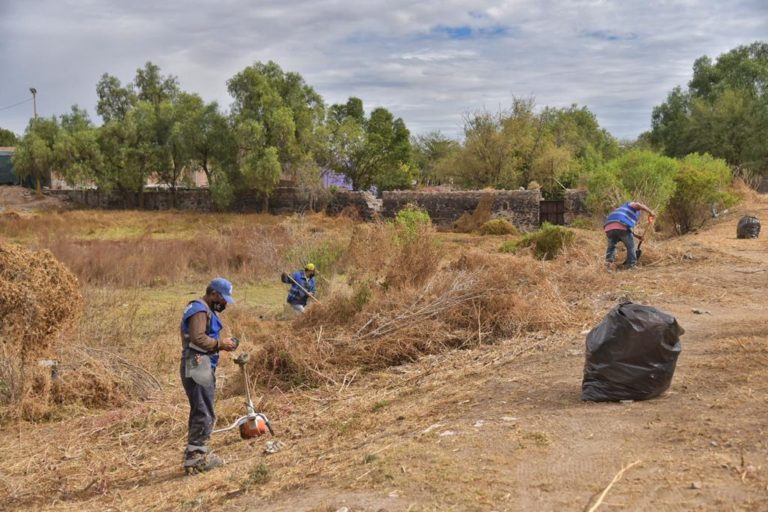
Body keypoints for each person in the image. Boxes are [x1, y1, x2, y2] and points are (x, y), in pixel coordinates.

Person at [179, 277, 238, 474]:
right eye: (223, 300)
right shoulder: (200, 309)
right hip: (198, 362)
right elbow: (198, 338)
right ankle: (196, 458)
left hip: (199, 362)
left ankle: (196, 453)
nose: (224, 304)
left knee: (201, 409)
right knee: (204, 411)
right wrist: (221, 344)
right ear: (214, 294)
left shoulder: (203, 309)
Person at [604, 201, 656, 269]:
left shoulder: (622, 210)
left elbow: (626, 229)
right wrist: (650, 212)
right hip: (620, 225)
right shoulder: (631, 204)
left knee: (611, 247)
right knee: (631, 247)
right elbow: (638, 204)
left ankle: (608, 265)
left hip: (608, 227)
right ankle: (631, 265)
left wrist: (637, 236)